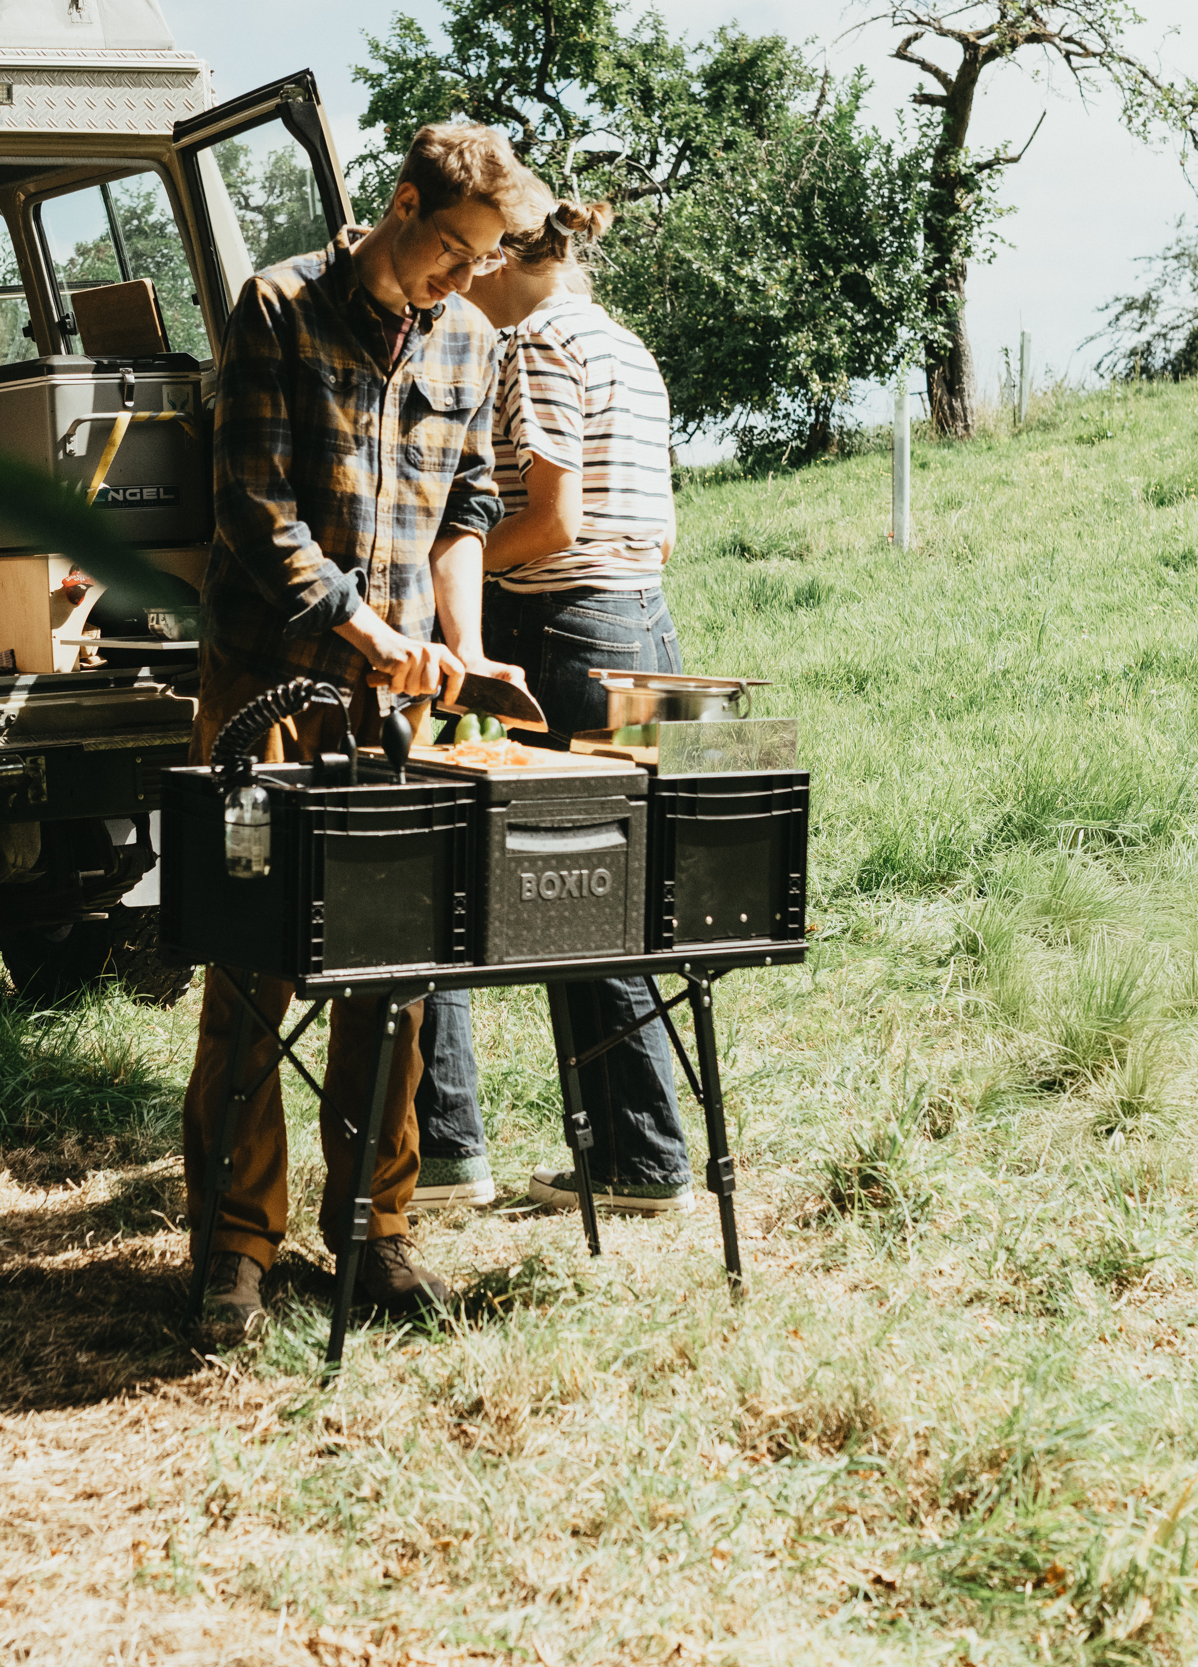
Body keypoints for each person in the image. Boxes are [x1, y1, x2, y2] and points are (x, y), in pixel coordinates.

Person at [187, 122, 537, 1337]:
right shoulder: (277, 306)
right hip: (267, 693)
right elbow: (253, 508)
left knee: (393, 972)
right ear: (399, 206)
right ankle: (235, 1246)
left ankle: (372, 1232)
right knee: (254, 967)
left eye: (482, 260)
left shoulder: (472, 339)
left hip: (396, 711)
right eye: (451, 248)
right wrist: (367, 632)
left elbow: (467, 507)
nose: (462, 275)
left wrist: (460, 644)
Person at [410, 194, 693, 1217]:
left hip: (566, 632)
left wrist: (450, 581)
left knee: (527, 883)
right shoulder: (627, 345)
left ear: (501, 262)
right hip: (646, 632)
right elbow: (658, 531)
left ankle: (462, 1152)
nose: (461, 282)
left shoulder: (531, 343)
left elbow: (553, 520)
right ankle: (638, 1149)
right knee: (616, 892)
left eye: (473, 262)